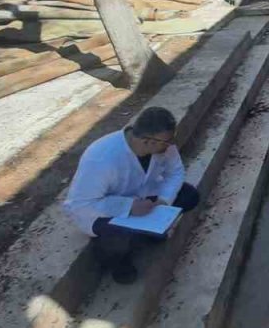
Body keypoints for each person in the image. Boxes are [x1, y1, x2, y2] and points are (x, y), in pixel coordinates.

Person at [63, 107, 200, 284]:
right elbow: (81, 204)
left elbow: (175, 172)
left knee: (189, 196)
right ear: (146, 140)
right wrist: (128, 206)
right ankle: (118, 262)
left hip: (144, 196)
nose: (171, 145)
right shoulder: (101, 157)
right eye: (166, 142)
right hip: (102, 211)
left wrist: (163, 200)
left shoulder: (162, 146)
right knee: (117, 239)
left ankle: (150, 231)